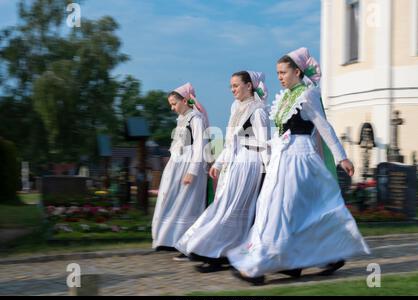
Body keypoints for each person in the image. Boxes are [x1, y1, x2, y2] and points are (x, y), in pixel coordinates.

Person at [227, 47, 370, 285]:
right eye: (277, 73)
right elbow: (281, 133)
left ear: (297, 71)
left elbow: (324, 127)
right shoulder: (285, 97)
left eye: (283, 72)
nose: (280, 77)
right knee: (280, 208)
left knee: (281, 210)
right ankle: (296, 261)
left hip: (299, 158)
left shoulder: (308, 94)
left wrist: (340, 157)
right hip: (283, 158)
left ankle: (259, 266)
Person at [175, 71, 270, 271]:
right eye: (231, 86)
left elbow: (264, 145)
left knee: (232, 209)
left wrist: (268, 172)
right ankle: (217, 251)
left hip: (249, 165)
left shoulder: (258, 111)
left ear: (249, 86)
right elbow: (230, 141)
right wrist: (218, 164)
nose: (233, 90)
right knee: (226, 207)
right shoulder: (236, 107)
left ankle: (216, 251)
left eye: (236, 85)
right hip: (234, 163)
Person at [151, 82, 209, 259]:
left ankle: (188, 244)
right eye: (171, 104)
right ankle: (171, 239)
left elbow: (200, 146)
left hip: (189, 167)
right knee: (173, 203)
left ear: (184, 101)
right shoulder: (182, 120)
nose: (172, 108)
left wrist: (192, 171)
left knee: (188, 206)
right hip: (177, 166)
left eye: (174, 104)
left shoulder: (196, 119)